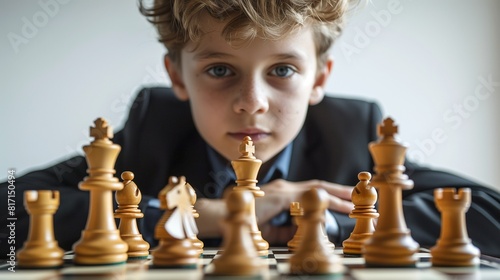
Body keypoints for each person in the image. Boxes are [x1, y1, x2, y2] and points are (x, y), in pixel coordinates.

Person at [1, 0, 499, 257]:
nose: (251, 104)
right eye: (220, 70)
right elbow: (6, 211)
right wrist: (207, 216)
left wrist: (329, 223)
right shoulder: (154, 128)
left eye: (282, 70)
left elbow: (491, 216)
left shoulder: (353, 132)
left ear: (319, 78)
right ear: (178, 76)